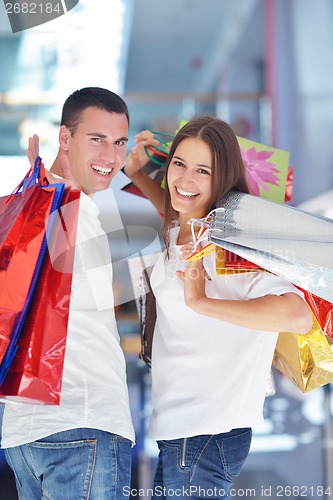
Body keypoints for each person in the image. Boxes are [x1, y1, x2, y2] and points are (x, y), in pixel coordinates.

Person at [144, 116, 312, 499]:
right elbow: (175, 205)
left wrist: (201, 302)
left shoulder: (230, 244)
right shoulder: (183, 228)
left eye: (203, 171)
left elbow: (297, 314)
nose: (185, 180)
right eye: (179, 164)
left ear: (223, 178)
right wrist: (137, 172)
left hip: (206, 429)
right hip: (181, 431)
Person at [1, 87, 135, 499]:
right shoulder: (66, 209)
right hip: (84, 425)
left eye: (120, 143)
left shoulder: (44, 207)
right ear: (65, 137)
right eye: (97, 139)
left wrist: (41, 184)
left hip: (24, 435)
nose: (111, 158)